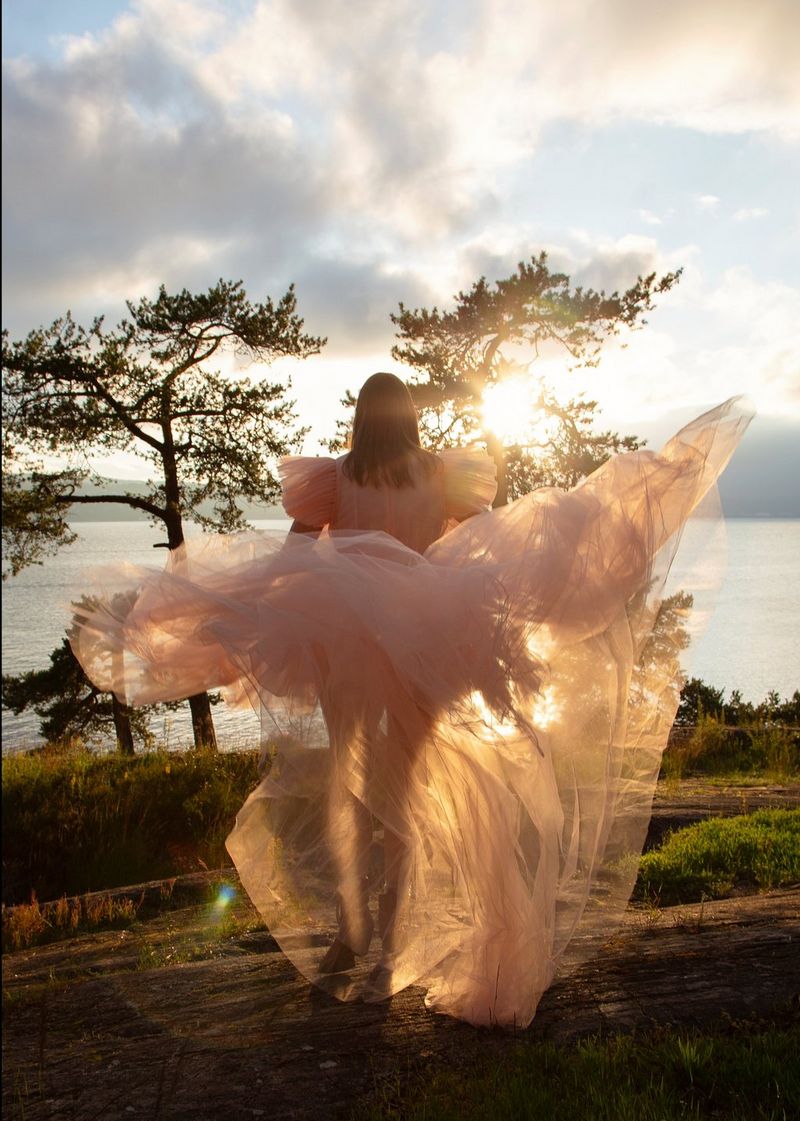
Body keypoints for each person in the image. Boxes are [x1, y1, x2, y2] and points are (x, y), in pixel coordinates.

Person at [70, 374, 752, 1027]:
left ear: (361, 421)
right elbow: (487, 541)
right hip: (426, 648)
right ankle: (388, 939)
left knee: (349, 787)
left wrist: (247, 606)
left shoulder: (336, 480)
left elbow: (292, 563)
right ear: (410, 421)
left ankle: (351, 929)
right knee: (402, 789)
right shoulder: (439, 474)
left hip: (352, 653)